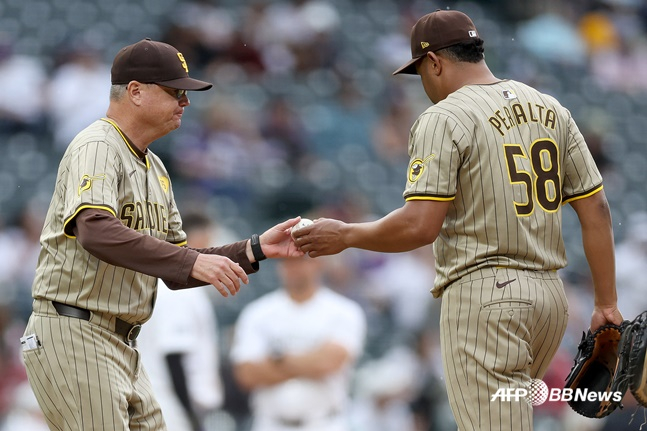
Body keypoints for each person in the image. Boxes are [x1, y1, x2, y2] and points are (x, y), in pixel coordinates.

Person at [292, 9, 622, 431]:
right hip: (549, 300)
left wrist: (348, 234)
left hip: (486, 296)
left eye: (420, 72)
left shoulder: (444, 116)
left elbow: (419, 226)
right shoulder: (549, 107)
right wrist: (606, 303)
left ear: (434, 62)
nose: (424, 84)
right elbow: (597, 210)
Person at [20, 38, 303, 431]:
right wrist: (191, 260)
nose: (185, 101)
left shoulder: (156, 168)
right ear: (135, 91)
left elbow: (174, 267)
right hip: (75, 330)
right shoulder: (98, 143)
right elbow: (95, 231)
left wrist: (254, 248)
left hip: (121, 342)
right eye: (175, 91)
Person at [229, 255, 366, 431]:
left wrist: (276, 360)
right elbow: (246, 374)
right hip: (271, 423)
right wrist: (310, 361)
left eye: (301, 261)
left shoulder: (344, 311)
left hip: (325, 423)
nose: (293, 268)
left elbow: (328, 363)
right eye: (287, 262)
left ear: (318, 263)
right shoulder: (257, 312)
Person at [137, 210, 226, 431]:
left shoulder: (170, 284)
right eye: (209, 238)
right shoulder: (179, 289)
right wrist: (190, 416)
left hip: (164, 403)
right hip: (171, 408)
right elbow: (173, 356)